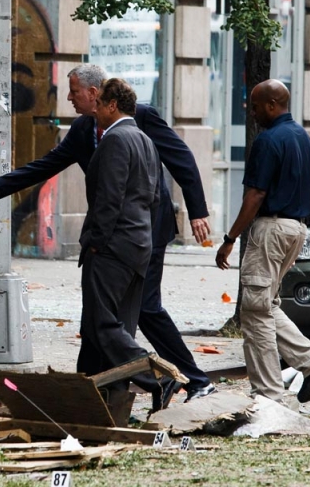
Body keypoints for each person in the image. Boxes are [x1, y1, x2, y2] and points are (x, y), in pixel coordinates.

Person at [0, 64, 217, 402]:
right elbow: (46, 165)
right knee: (104, 320)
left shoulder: (137, 119)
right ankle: (96, 395)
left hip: (136, 234)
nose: (69, 97)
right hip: (123, 238)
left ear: (96, 95)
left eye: (74, 91)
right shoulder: (83, 129)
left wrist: (197, 211)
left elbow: (180, 160)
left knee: (129, 313)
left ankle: (187, 380)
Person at [215, 79, 310, 405]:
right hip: (296, 229)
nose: (251, 113)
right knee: (266, 304)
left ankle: (268, 395)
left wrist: (230, 238)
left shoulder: (267, 141)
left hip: (271, 229)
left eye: (254, 106)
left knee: (254, 312)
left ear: (271, 105)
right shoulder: (302, 137)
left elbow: (256, 194)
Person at [79, 78, 181, 412]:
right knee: (113, 327)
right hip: (138, 245)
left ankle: (158, 376)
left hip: (113, 247)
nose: (94, 110)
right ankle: (105, 399)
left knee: (102, 323)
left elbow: (109, 198)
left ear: (112, 105)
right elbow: (155, 198)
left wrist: (96, 242)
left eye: (100, 104)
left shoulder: (116, 139)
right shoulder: (145, 141)